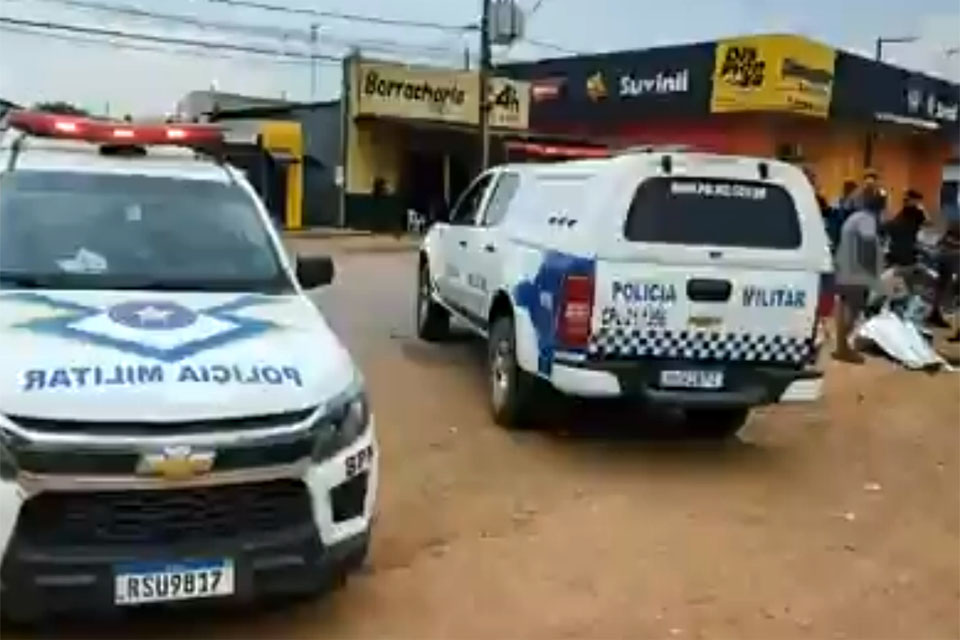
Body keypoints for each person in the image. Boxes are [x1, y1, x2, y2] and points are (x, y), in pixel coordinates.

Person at [833, 185, 886, 363]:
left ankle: (841, 346)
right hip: (856, 272)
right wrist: (873, 271)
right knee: (853, 309)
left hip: (844, 268)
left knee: (843, 307)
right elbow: (867, 245)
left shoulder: (854, 217)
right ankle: (843, 349)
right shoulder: (867, 220)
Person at [884, 189, 927, 268]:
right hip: (907, 251)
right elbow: (927, 224)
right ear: (914, 200)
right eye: (918, 201)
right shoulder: (917, 213)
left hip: (896, 250)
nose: (919, 203)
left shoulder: (901, 214)